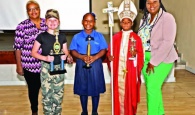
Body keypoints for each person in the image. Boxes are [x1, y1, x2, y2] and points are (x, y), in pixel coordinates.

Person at [137, 0, 178, 114]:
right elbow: (141, 38)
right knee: (153, 88)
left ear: (159, 2)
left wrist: (153, 62)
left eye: (154, 1)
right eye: (148, 3)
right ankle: (160, 113)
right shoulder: (144, 19)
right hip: (145, 58)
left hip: (162, 59)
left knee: (152, 88)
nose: (151, 5)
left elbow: (168, 42)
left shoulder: (167, 18)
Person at [31, 9, 73, 115]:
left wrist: (67, 56)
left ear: (58, 22)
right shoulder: (41, 36)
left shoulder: (62, 36)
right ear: (45, 22)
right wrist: (45, 58)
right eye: (50, 20)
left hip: (59, 69)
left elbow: (65, 51)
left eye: (55, 20)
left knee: (58, 96)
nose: (53, 23)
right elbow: (33, 52)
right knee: (47, 96)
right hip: (47, 69)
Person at [107, 0, 144, 115]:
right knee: (118, 95)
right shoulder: (115, 37)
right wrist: (110, 58)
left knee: (130, 96)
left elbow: (141, 56)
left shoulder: (136, 38)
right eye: (123, 22)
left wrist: (135, 57)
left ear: (132, 23)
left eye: (128, 22)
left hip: (131, 73)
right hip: (118, 70)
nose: (126, 24)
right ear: (120, 23)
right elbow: (110, 53)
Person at [69, 13, 108, 115]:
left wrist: (95, 57)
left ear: (94, 23)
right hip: (81, 62)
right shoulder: (76, 37)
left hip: (96, 62)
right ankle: (84, 111)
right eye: (86, 20)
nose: (88, 23)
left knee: (96, 89)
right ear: (82, 22)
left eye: (91, 21)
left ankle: (95, 111)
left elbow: (103, 49)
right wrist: (82, 57)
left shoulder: (99, 36)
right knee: (83, 88)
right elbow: (73, 50)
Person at [13, 0, 47, 115]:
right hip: (30, 66)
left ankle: (48, 110)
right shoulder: (21, 26)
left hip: (47, 66)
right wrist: (19, 65)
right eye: (30, 9)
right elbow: (17, 48)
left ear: (39, 9)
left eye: (35, 8)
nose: (33, 11)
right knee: (33, 91)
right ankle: (34, 111)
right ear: (27, 12)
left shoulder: (46, 24)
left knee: (48, 91)